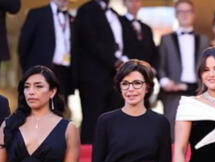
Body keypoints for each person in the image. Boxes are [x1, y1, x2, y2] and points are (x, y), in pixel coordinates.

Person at [72, 0, 132, 144]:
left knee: (114, 122)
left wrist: (124, 61)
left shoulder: (114, 14)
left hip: (114, 78)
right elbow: (90, 40)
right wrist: (114, 61)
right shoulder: (86, 10)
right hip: (93, 77)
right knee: (93, 121)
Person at [158, 0, 209, 136]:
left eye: (188, 11)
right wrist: (165, 82)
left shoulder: (204, 40)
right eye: (181, 11)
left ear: (193, 14)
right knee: (173, 135)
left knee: (199, 134)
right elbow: (160, 66)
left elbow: (207, 67)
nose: (184, 15)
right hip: (174, 94)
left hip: (198, 93)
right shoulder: (166, 39)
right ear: (176, 14)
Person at [18, 0, 75, 104]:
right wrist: (29, 72)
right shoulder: (37, 14)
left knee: (59, 108)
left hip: (64, 73)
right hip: (41, 71)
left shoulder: (72, 19)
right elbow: (23, 46)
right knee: (37, 107)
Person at [122, 0, 158, 70]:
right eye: (131, 1)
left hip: (144, 71)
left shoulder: (146, 28)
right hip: (126, 70)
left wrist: (153, 68)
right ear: (124, 3)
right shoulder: (119, 23)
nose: (134, 4)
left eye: (137, 1)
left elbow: (153, 51)